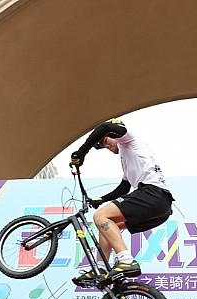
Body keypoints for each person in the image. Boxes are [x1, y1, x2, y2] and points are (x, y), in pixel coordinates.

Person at [70, 119, 175, 285]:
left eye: (106, 141)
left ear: (114, 134)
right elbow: (124, 188)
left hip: (152, 194)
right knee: (106, 226)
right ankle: (101, 268)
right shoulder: (127, 156)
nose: (106, 146)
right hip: (160, 205)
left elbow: (105, 127)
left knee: (100, 217)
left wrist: (81, 153)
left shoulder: (129, 138)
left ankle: (126, 260)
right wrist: (101, 199)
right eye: (103, 145)